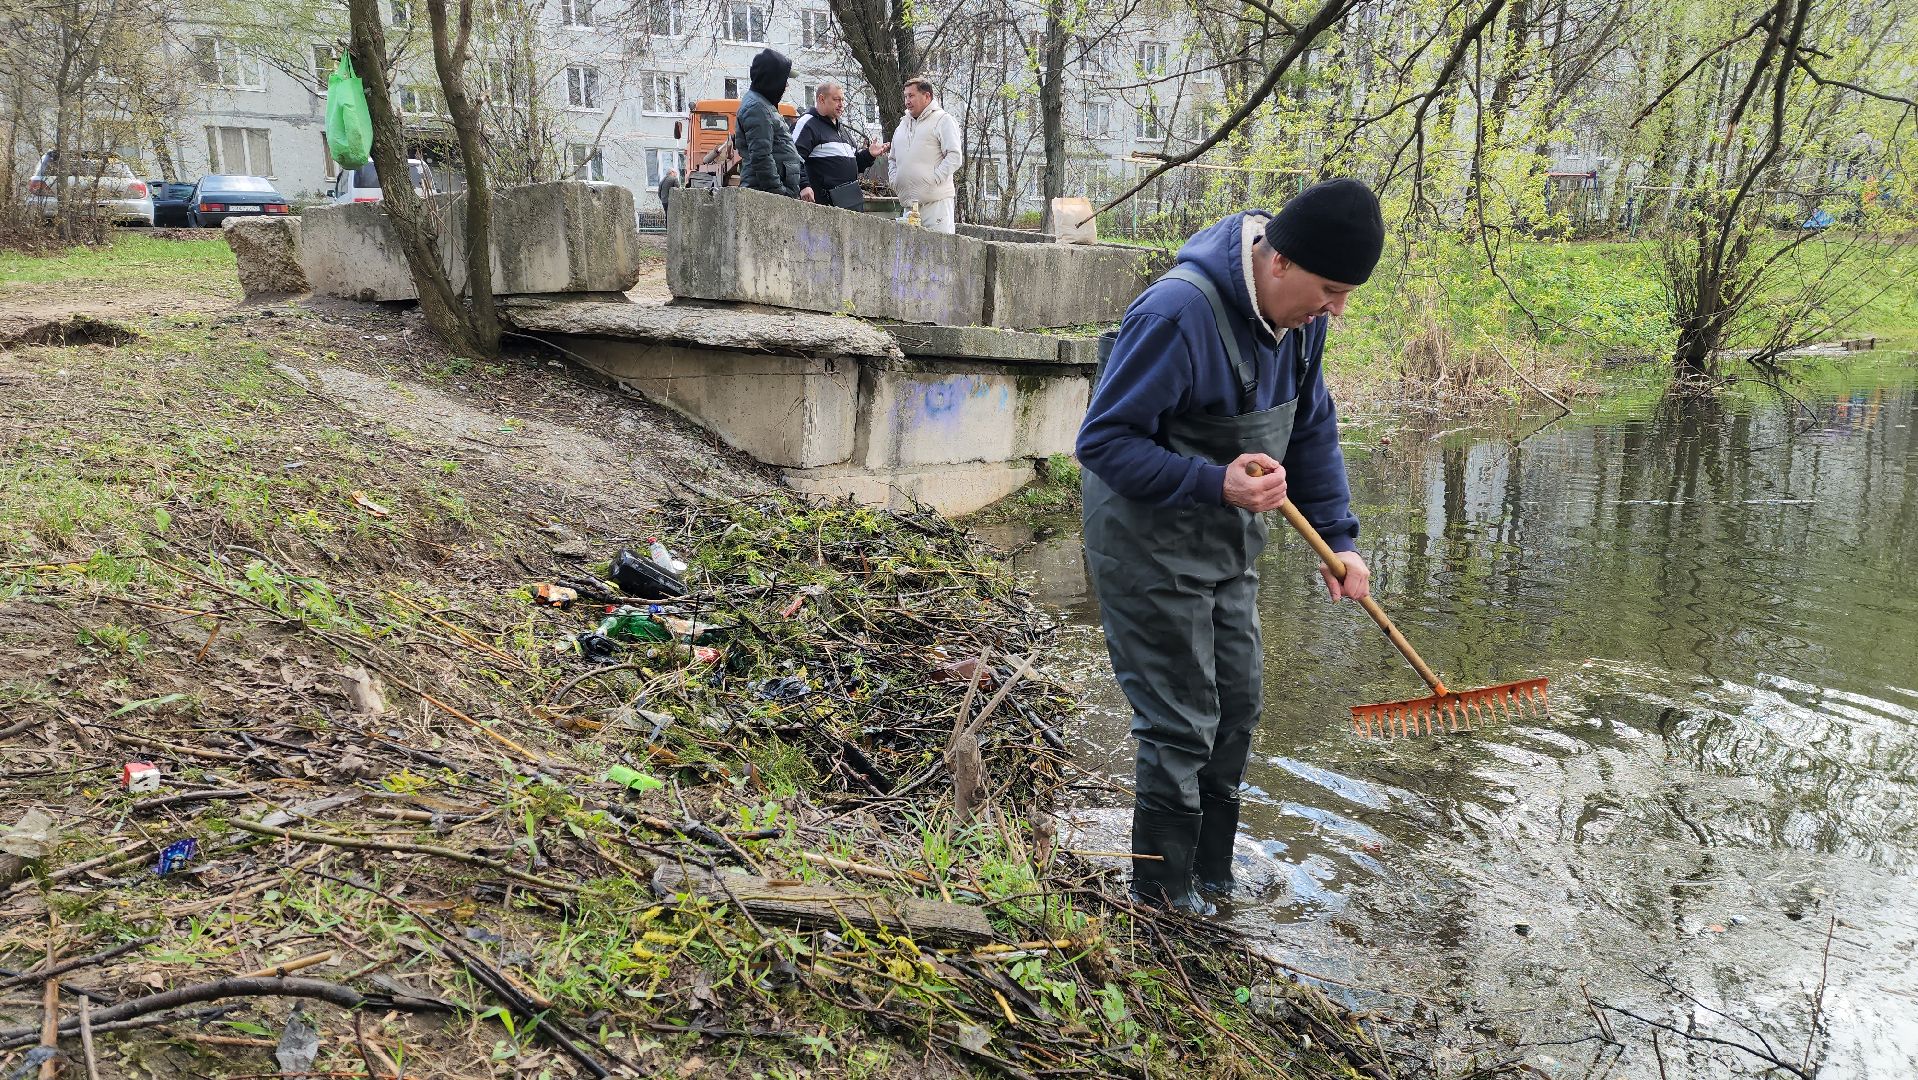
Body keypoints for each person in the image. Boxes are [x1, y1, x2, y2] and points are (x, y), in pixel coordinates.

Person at [1074, 179, 1385, 914]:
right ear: (1279, 264)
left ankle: (1213, 880)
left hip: (1225, 546)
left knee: (1238, 704)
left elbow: (1309, 430)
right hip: (1146, 544)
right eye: (1331, 289)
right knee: (1180, 723)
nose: (1336, 308)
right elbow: (1103, 443)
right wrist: (1216, 484)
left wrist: (1339, 539)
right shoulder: (1176, 314)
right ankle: (1159, 895)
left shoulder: (1303, 325)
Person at [793, 82, 888, 210]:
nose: (841, 104)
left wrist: (869, 154)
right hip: (822, 207)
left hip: (848, 204)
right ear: (821, 99)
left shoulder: (843, 131)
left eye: (842, 100)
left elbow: (855, 165)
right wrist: (803, 185)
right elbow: (793, 157)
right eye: (836, 99)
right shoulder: (808, 124)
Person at [736, 49, 813, 203]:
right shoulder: (757, 107)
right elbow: (761, 156)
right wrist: (779, 193)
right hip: (768, 198)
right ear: (773, 79)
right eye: (784, 80)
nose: (786, 86)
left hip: (771, 196)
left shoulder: (763, 105)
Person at [887, 76, 962, 233]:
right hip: (908, 206)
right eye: (905, 96)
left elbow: (954, 156)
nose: (907, 101)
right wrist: (895, 181)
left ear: (927, 96)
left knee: (939, 253)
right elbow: (892, 159)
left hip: (936, 205)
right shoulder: (902, 126)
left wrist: (933, 179)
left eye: (911, 96)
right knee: (910, 255)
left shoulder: (943, 120)